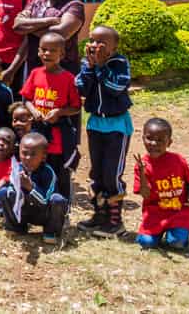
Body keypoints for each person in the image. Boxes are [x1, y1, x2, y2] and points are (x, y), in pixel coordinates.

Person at [76, 25, 133, 237]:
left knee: (112, 173)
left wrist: (101, 66)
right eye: (91, 40)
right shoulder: (87, 64)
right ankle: (99, 214)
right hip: (95, 124)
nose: (94, 46)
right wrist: (91, 68)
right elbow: (82, 88)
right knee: (97, 172)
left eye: (101, 43)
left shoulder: (120, 64)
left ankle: (115, 221)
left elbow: (116, 88)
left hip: (117, 125)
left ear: (114, 47)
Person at [20, 31, 81, 200]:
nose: (47, 54)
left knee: (60, 171)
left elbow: (76, 107)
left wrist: (59, 112)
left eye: (52, 50)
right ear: (38, 51)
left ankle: (62, 207)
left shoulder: (68, 78)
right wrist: (33, 110)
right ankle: (38, 201)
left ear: (62, 53)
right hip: (38, 131)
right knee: (39, 168)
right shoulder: (35, 73)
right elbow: (26, 99)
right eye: (43, 50)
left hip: (58, 136)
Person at [133, 118, 189, 250]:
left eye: (160, 140)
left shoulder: (178, 160)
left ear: (169, 142)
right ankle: (156, 234)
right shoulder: (142, 165)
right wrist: (143, 174)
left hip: (178, 213)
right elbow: (145, 195)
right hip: (155, 214)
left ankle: (176, 235)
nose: (154, 144)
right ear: (143, 138)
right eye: (149, 138)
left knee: (177, 244)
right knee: (146, 243)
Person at [14, 0, 85, 77]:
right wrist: (49, 21)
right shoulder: (35, 4)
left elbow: (61, 33)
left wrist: (29, 28)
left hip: (63, 71)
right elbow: (17, 26)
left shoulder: (74, 6)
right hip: (35, 70)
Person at [0, 132, 68, 245]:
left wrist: (30, 188)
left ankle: (51, 232)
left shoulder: (48, 173)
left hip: (43, 214)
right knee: (3, 192)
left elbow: (45, 201)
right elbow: (12, 192)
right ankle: (16, 227)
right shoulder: (17, 169)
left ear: (44, 156)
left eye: (33, 154)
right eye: (24, 153)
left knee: (58, 200)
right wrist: (17, 191)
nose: (27, 158)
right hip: (24, 211)